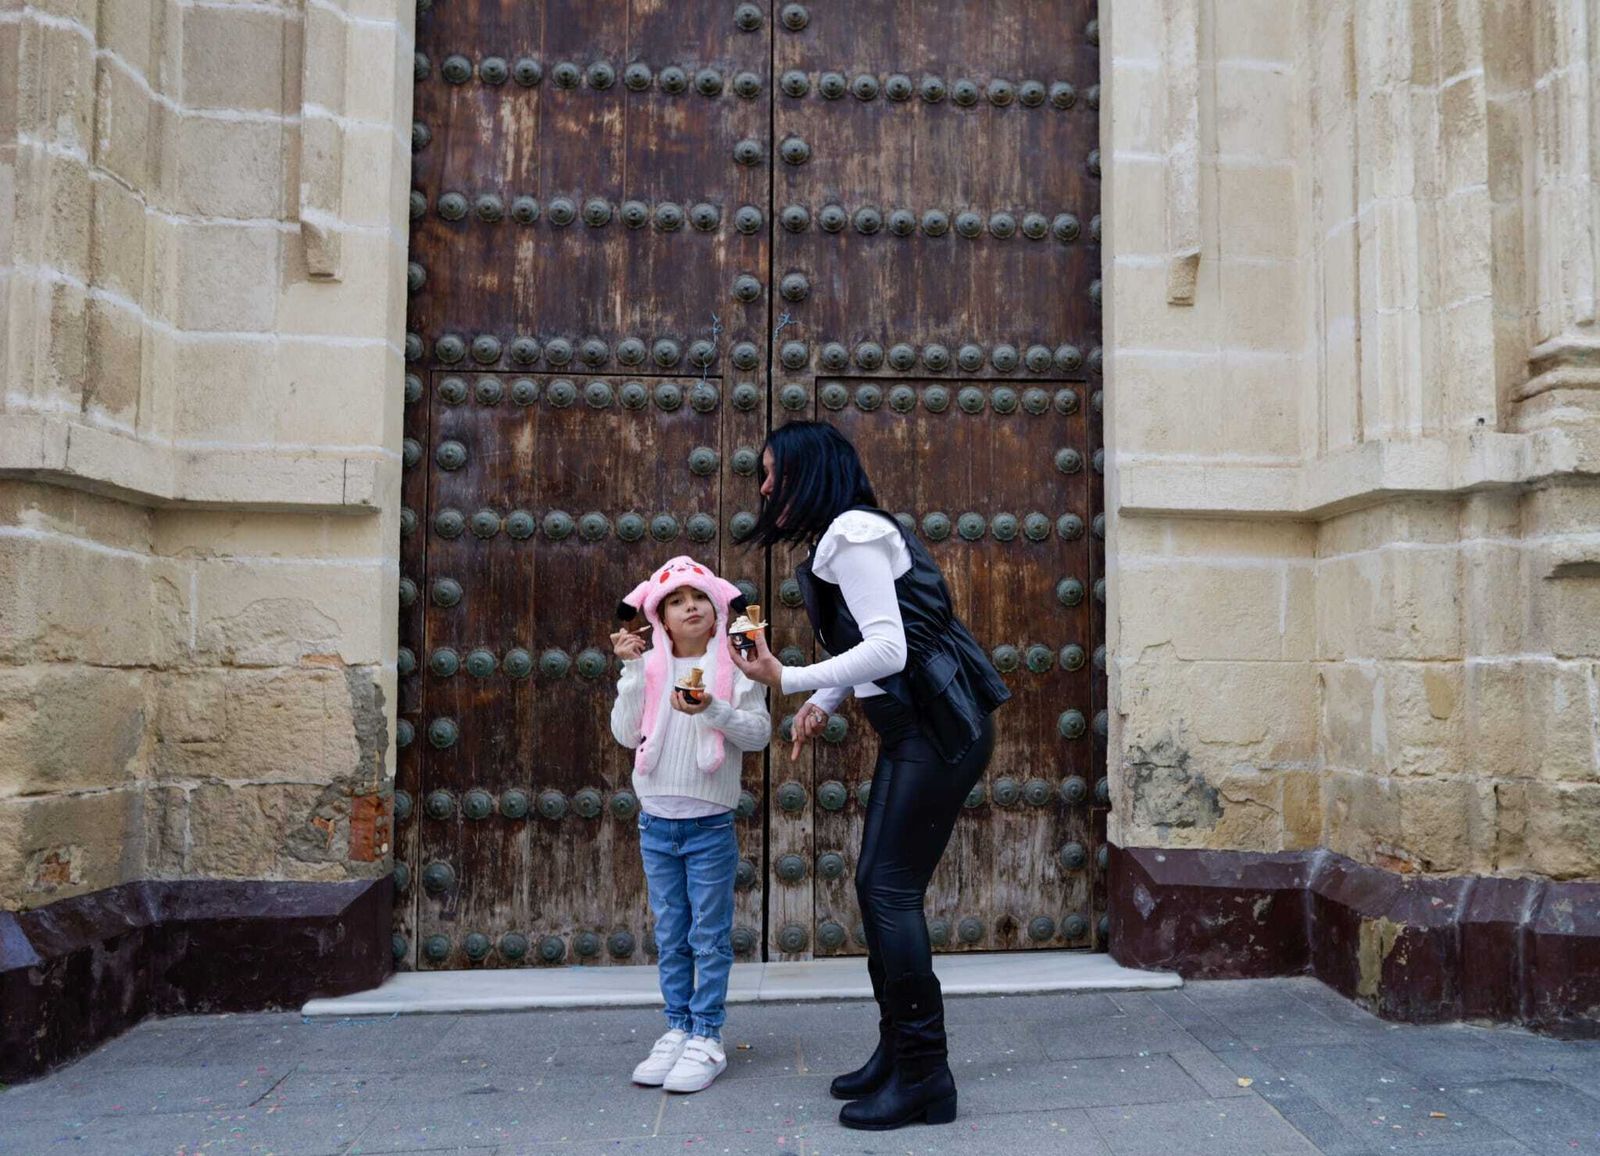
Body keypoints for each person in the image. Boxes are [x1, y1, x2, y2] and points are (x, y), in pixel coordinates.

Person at [728, 421, 1011, 1131]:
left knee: (887, 890)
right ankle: (899, 1054)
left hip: (936, 728)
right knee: (879, 887)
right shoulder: (847, 534)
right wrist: (824, 702)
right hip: (921, 726)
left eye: (772, 473)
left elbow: (887, 647)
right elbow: (878, 636)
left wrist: (789, 678)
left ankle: (925, 1076)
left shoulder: (851, 534)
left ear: (808, 472)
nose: (763, 488)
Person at [608, 555, 771, 1094]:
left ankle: (707, 1037)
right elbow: (626, 735)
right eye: (676, 601)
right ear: (660, 617)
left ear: (717, 606)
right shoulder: (650, 666)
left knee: (709, 936)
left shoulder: (737, 664)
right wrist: (631, 672)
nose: (690, 607)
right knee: (671, 934)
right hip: (656, 822)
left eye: (698, 597)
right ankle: (676, 1028)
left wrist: (712, 710)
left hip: (708, 826)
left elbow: (758, 734)